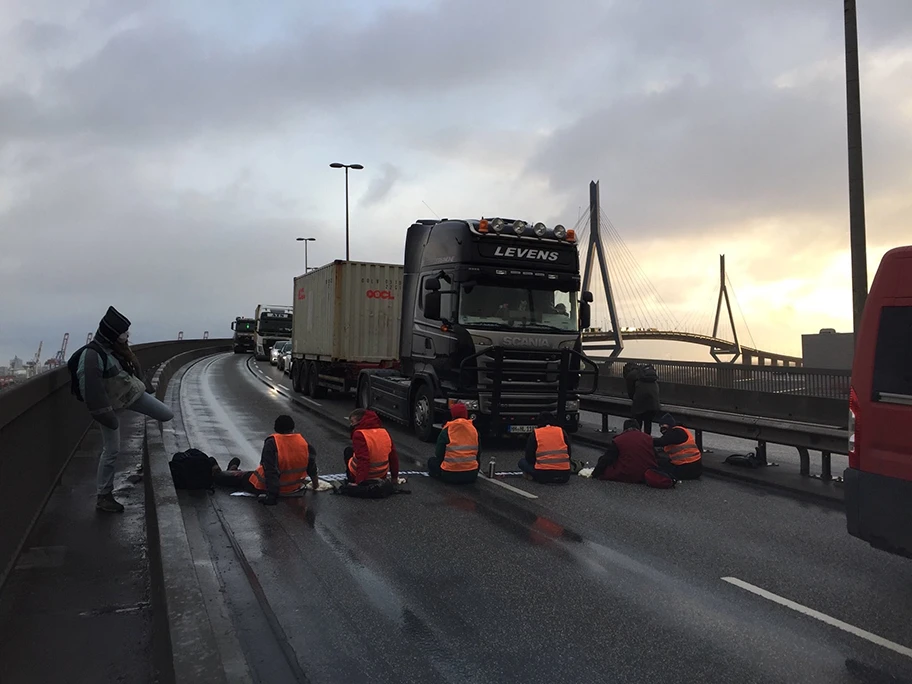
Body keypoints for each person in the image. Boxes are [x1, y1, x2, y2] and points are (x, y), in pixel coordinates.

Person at [75, 306, 174, 513]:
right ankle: (104, 496)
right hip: (108, 408)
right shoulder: (92, 356)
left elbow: (130, 374)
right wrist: (107, 416)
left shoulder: (115, 349)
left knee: (167, 414)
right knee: (111, 450)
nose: (127, 336)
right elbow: (91, 391)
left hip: (131, 396)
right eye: (123, 332)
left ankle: (105, 495)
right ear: (112, 333)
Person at [210, 414, 319, 504]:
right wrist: (316, 486)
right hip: (292, 488)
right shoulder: (305, 444)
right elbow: (312, 469)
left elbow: (270, 472)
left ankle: (225, 471)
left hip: (262, 486)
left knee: (226, 478)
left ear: (276, 429)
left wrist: (271, 497)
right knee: (248, 473)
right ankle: (233, 470)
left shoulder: (272, 443)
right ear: (293, 428)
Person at [592, 419, 658, 483]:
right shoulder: (648, 438)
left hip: (626, 473)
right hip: (645, 473)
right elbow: (655, 457)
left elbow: (607, 459)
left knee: (604, 462)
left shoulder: (619, 440)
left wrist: (595, 473)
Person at [344, 408, 400, 485]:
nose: (351, 425)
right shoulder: (384, 432)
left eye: (352, 422)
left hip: (365, 476)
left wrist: (359, 482)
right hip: (381, 475)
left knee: (348, 451)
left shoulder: (359, 434)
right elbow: (393, 457)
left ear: (360, 421)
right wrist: (394, 478)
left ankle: (352, 478)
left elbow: (363, 459)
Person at [427, 403, 479, 484]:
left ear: (452, 415)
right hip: (471, 475)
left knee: (431, 461)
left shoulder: (447, 430)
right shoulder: (474, 430)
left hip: (449, 474)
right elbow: (478, 454)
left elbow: (439, 453)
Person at [518, 412, 572, 484]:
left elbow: (529, 457)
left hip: (543, 475)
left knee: (522, 462)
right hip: (564, 475)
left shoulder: (536, 433)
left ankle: (531, 475)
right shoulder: (561, 431)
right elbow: (569, 453)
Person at [653, 413, 702, 480]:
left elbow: (661, 441)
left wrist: (645, 439)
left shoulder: (676, 432)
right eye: (660, 426)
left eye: (663, 425)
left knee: (656, 466)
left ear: (670, 425)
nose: (661, 428)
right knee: (663, 462)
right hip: (696, 467)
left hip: (685, 468)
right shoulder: (681, 430)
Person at [624, 362, 661, 435]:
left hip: (640, 402)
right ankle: (647, 440)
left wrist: (634, 399)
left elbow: (630, 393)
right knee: (648, 422)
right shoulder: (648, 373)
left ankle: (638, 440)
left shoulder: (631, 375)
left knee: (638, 422)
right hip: (653, 403)